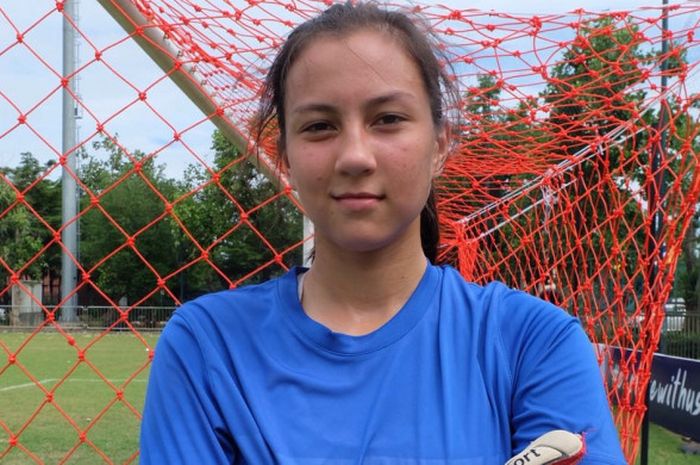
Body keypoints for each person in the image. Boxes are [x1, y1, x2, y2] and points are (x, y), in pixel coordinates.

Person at [139, 3, 627, 464]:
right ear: (284, 154)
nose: (355, 156)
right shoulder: (207, 346)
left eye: (388, 120)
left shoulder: (534, 344)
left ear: (439, 144)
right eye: (319, 126)